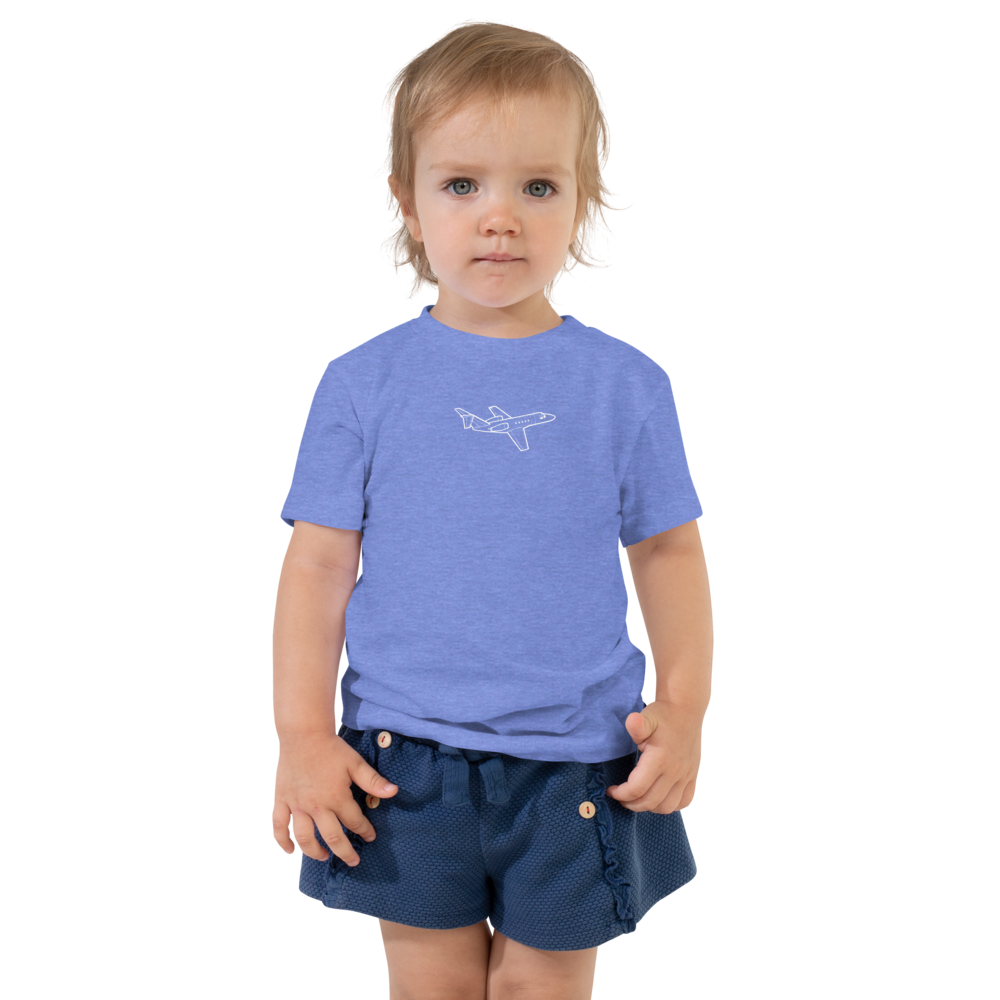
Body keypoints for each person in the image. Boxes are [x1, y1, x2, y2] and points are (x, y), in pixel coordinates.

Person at [272, 18, 712, 1000]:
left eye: (538, 186)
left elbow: (669, 555)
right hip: (402, 762)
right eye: (462, 184)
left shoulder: (627, 387)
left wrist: (684, 709)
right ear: (408, 199)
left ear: (586, 201)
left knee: (541, 991)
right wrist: (302, 737)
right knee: (428, 986)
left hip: (579, 763)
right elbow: (318, 567)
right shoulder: (362, 383)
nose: (499, 218)